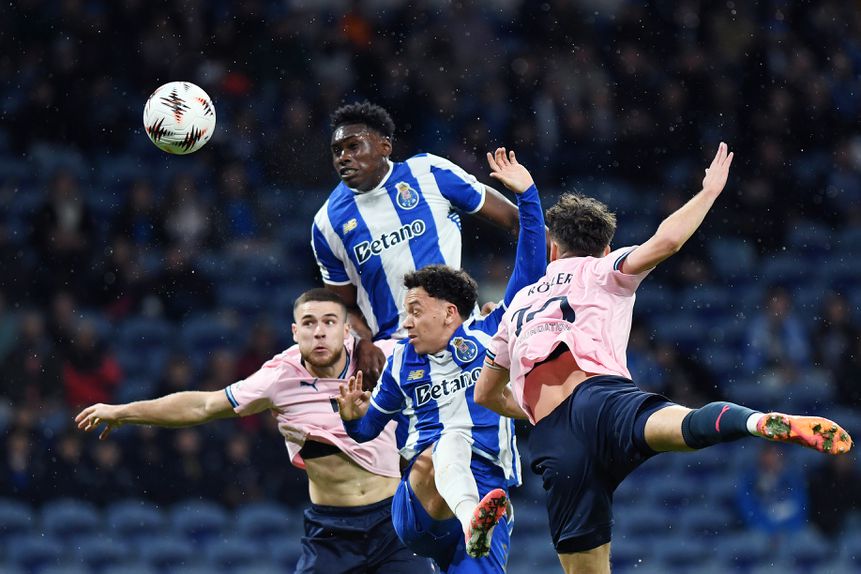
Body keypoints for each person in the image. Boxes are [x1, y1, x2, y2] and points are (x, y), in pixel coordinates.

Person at [474, 143, 854, 574]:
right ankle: (754, 421)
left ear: (554, 251)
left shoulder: (519, 305)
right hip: (603, 400)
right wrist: (708, 193)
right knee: (685, 425)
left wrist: (530, 408)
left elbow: (486, 395)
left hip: (557, 437)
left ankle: (485, 504)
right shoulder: (604, 269)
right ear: (605, 247)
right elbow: (668, 241)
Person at [75, 288, 434, 574]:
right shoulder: (279, 378)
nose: (319, 331)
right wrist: (123, 412)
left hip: (395, 521)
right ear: (295, 332)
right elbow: (203, 406)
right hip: (333, 532)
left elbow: (451, 350)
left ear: (346, 330)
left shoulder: (383, 358)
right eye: (308, 323)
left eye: (329, 321)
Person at [337, 148, 546, 573]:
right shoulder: (399, 363)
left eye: (415, 311)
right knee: (449, 442)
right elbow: (366, 430)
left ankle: (476, 523)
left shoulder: (491, 335)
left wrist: (528, 196)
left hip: (492, 494)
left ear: (450, 313)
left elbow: (529, 272)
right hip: (421, 505)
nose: (406, 322)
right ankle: (471, 520)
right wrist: (351, 418)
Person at [311, 101, 525, 386]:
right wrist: (361, 341)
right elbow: (343, 305)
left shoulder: (429, 173)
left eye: (353, 146)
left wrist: (567, 256)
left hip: (463, 339)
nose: (344, 158)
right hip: (396, 358)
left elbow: (515, 219)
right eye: (337, 151)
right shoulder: (327, 222)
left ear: (385, 146)